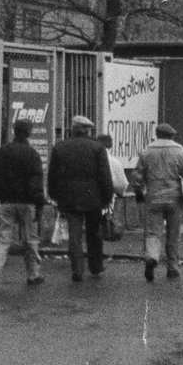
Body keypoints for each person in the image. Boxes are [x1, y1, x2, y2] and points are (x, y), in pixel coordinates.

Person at [46, 115, 117, 281]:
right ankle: (95, 266)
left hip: (69, 198)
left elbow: (52, 174)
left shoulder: (60, 147)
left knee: (74, 234)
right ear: (88, 130)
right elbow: (104, 175)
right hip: (93, 199)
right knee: (94, 234)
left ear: (72, 128)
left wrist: (54, 194)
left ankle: (77, 270)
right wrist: (107, 197)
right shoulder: (97, 147)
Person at [0, 118, 47, 290]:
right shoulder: (32, 154)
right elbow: (36, 183)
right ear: (29, 132)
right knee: (30, 240)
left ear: (14, 131)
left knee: (4, 238)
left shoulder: (2, 152)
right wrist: (39, 205)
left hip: (6, 202)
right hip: (27, 203)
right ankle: (33, 274)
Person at [133, 121, 183, 281]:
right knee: (173, 234)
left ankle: (152, 258)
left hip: (153, 198)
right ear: (172, 136)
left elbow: (137, 177)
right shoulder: (180, 151)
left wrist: (139, 192)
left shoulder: (147, 151)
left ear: (157, 134)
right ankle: (173, 267)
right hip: (174, 199)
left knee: (153, 232)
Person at [97, 132, 131, 240]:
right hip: (107, 197)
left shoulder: (87, 159)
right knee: (105, 216)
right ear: (109, 145)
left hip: (88, 196)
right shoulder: (114, 162)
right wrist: (120, 192)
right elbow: (121, 184)